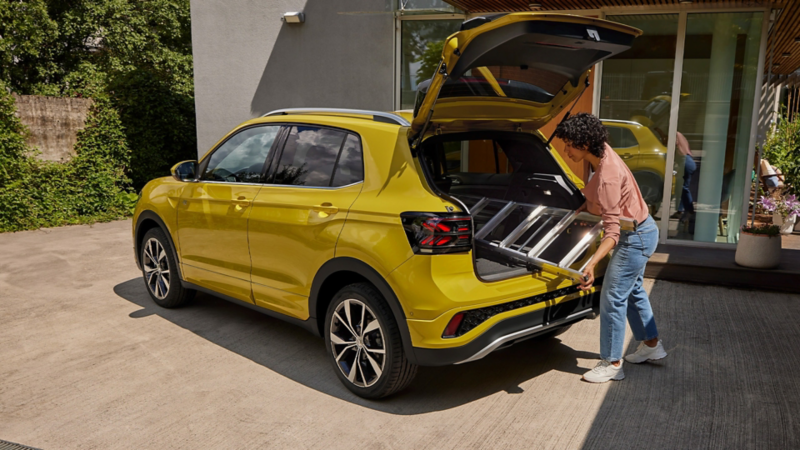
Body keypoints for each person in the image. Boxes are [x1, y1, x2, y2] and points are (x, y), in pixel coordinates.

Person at [553, 113, 667, 383]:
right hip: (640, 231)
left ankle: (612, 363)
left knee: (613, 296)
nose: (566, 150)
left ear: (584, 143)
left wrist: (591, 263)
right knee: (632, 290)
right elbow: (598, 199)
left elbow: (613, 232)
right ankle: (652, 346)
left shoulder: (608, 175)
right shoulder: (598, 153)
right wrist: (586, 207)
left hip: (635, 237)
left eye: (569, 145)